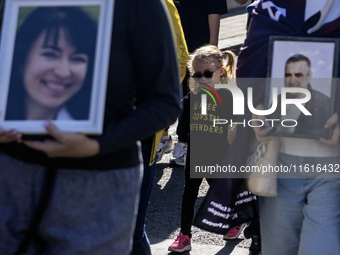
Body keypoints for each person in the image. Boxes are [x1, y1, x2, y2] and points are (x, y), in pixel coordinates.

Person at [0, 1, 181, 255]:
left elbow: (165, 102)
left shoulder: (139, 6)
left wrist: (99, 144)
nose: (63, 70)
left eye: (77, 57)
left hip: (100, 188)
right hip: (11, 179)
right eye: (50, 53)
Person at [224, 1, 340, 254]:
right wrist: (255, 110)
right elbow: (249, 70)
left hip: (333, 166)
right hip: (278, 161)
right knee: (278, 248)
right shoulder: (271, 8)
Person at [131, 0, 188, 254]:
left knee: (131, 228)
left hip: (139, 130)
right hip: (84, 131)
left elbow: (179, 60)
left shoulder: (158, 4)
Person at [168, 45, 236, 253]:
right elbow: (181, 117)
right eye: (197, 75)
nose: (203, 79)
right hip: (197, 153)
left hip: (220, 154)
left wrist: (236, 130)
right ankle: (185, 235)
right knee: (189, 193)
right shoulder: (194, 96)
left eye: (208, 73)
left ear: (221, 71)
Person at [158, 0, 229, 166]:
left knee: (191, 97)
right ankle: (163, 137)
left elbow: (214, 10)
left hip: (197, 48)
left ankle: (183, 144)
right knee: (166, 92)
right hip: (170, 44)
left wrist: (212, 47)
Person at [5, 7, 95, 121]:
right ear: (21, 60)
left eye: (77, 59)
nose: (63, 73)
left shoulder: (98, 134)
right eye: (50, 55)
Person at [271, 54, 331, 136]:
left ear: (309, 76)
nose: (292, 81)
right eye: (288, 75)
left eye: (298, 75)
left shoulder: (325, 104)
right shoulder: (277, 101)